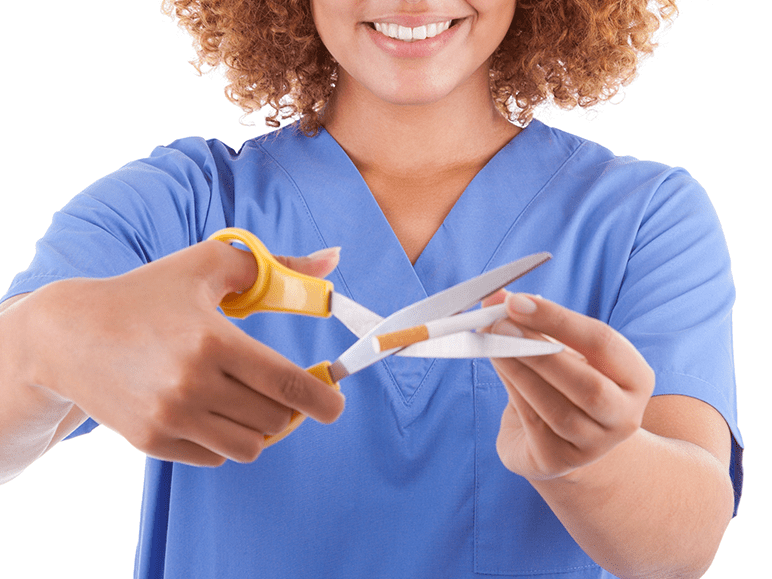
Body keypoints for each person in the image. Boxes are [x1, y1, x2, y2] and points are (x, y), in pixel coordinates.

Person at [0, 0, 742, 577]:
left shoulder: (644, 218)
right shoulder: (184, 208)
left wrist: (594, 460)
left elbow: (686, 543)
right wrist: (45, 344)